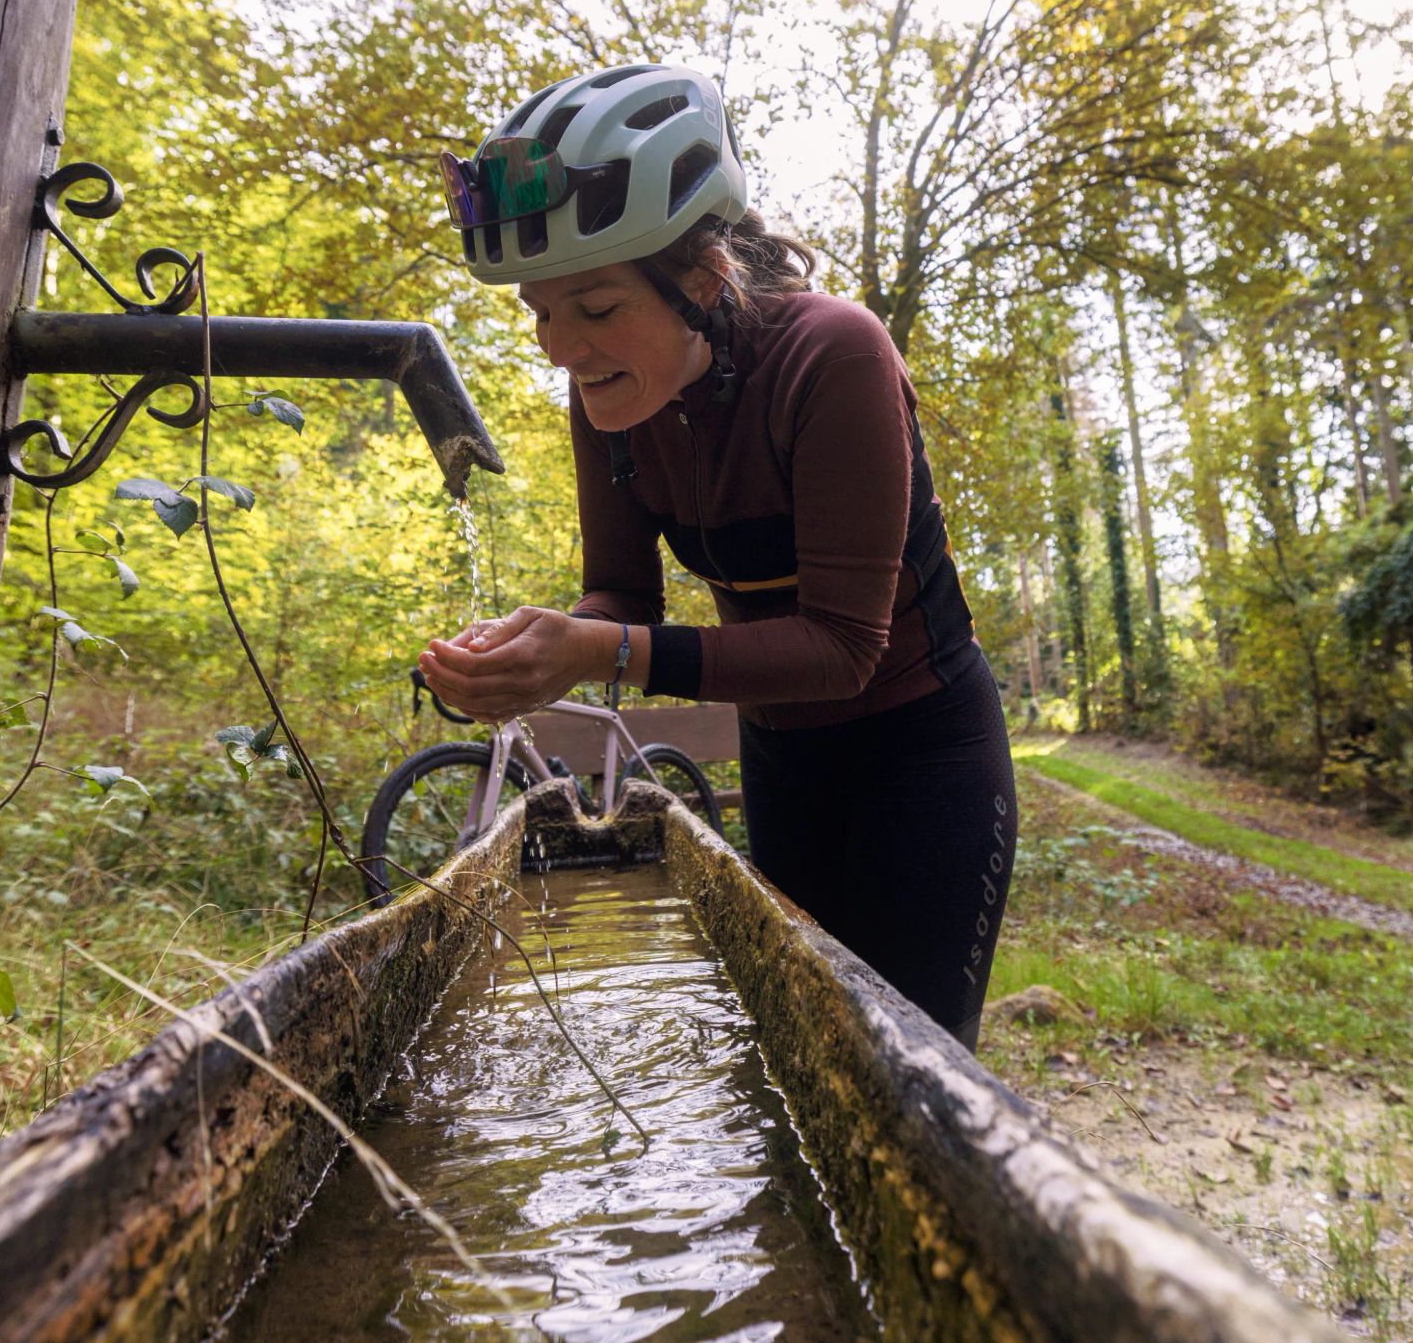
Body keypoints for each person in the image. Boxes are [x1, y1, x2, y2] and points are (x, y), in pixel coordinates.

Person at [415, 62, 1018, 1051]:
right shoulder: (605, 396)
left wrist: (595, 649)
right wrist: (536, 644)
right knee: (800, 1041)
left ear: (702, 277)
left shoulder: (835, 355)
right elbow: (623, 596)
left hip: (921, 755)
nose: (561, 347)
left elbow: (840, 645)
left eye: (596, 308)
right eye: (540, 311)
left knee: (922, 1067)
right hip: (786, 757)